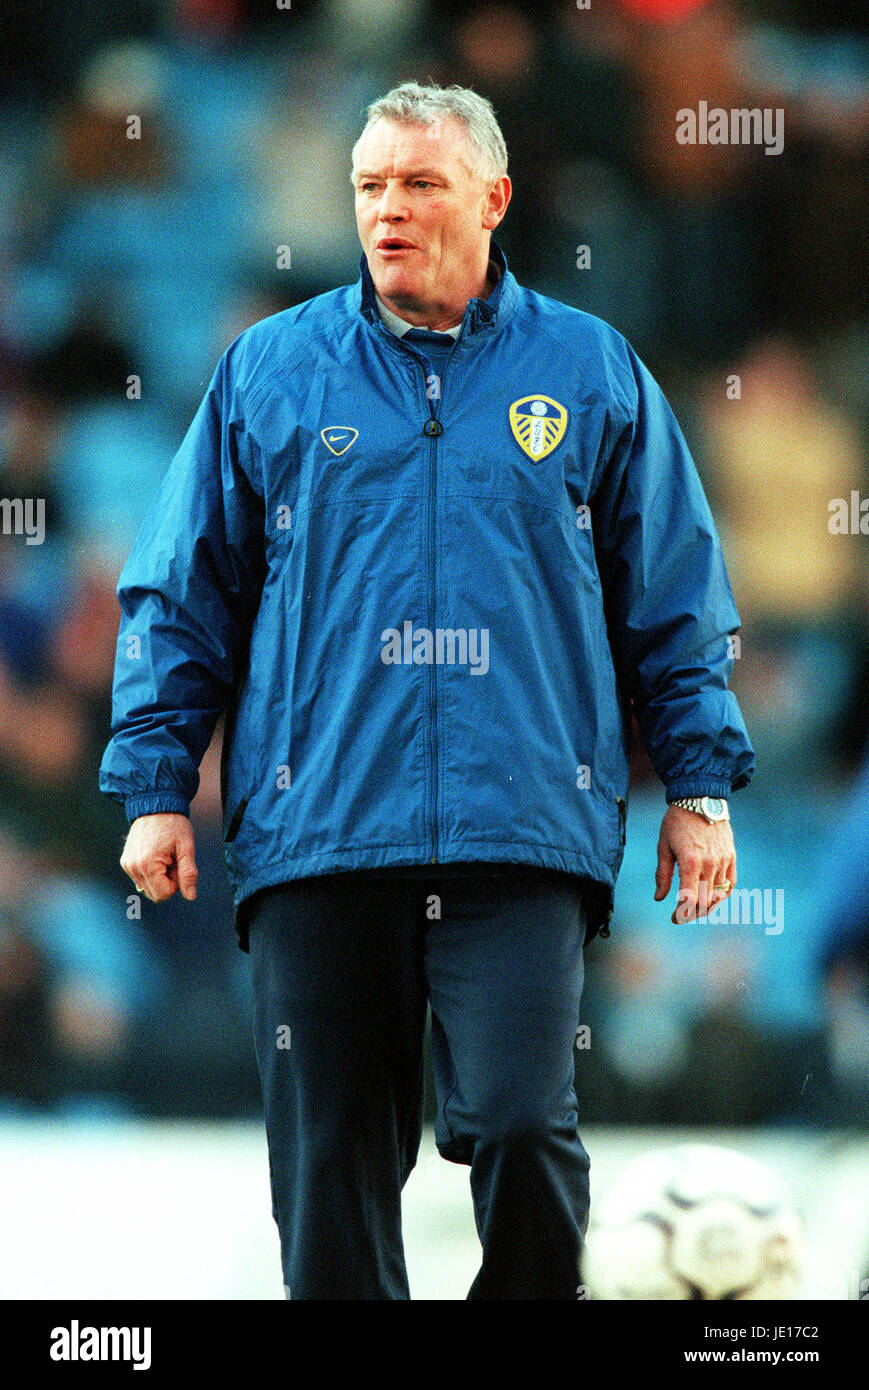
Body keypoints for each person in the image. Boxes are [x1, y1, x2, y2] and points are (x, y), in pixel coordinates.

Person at [100, 82, 754, 1299]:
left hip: (521, 828)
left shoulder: (590, 370)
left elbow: (670, 593)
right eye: (368, 187)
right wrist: (152, 783)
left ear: (492, 199)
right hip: (320, 831)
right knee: (331, 1163)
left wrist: (701, 784)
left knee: (519, 1120)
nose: (387, 210)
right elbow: (178, 593)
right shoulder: (270, 371)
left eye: (418, 184)